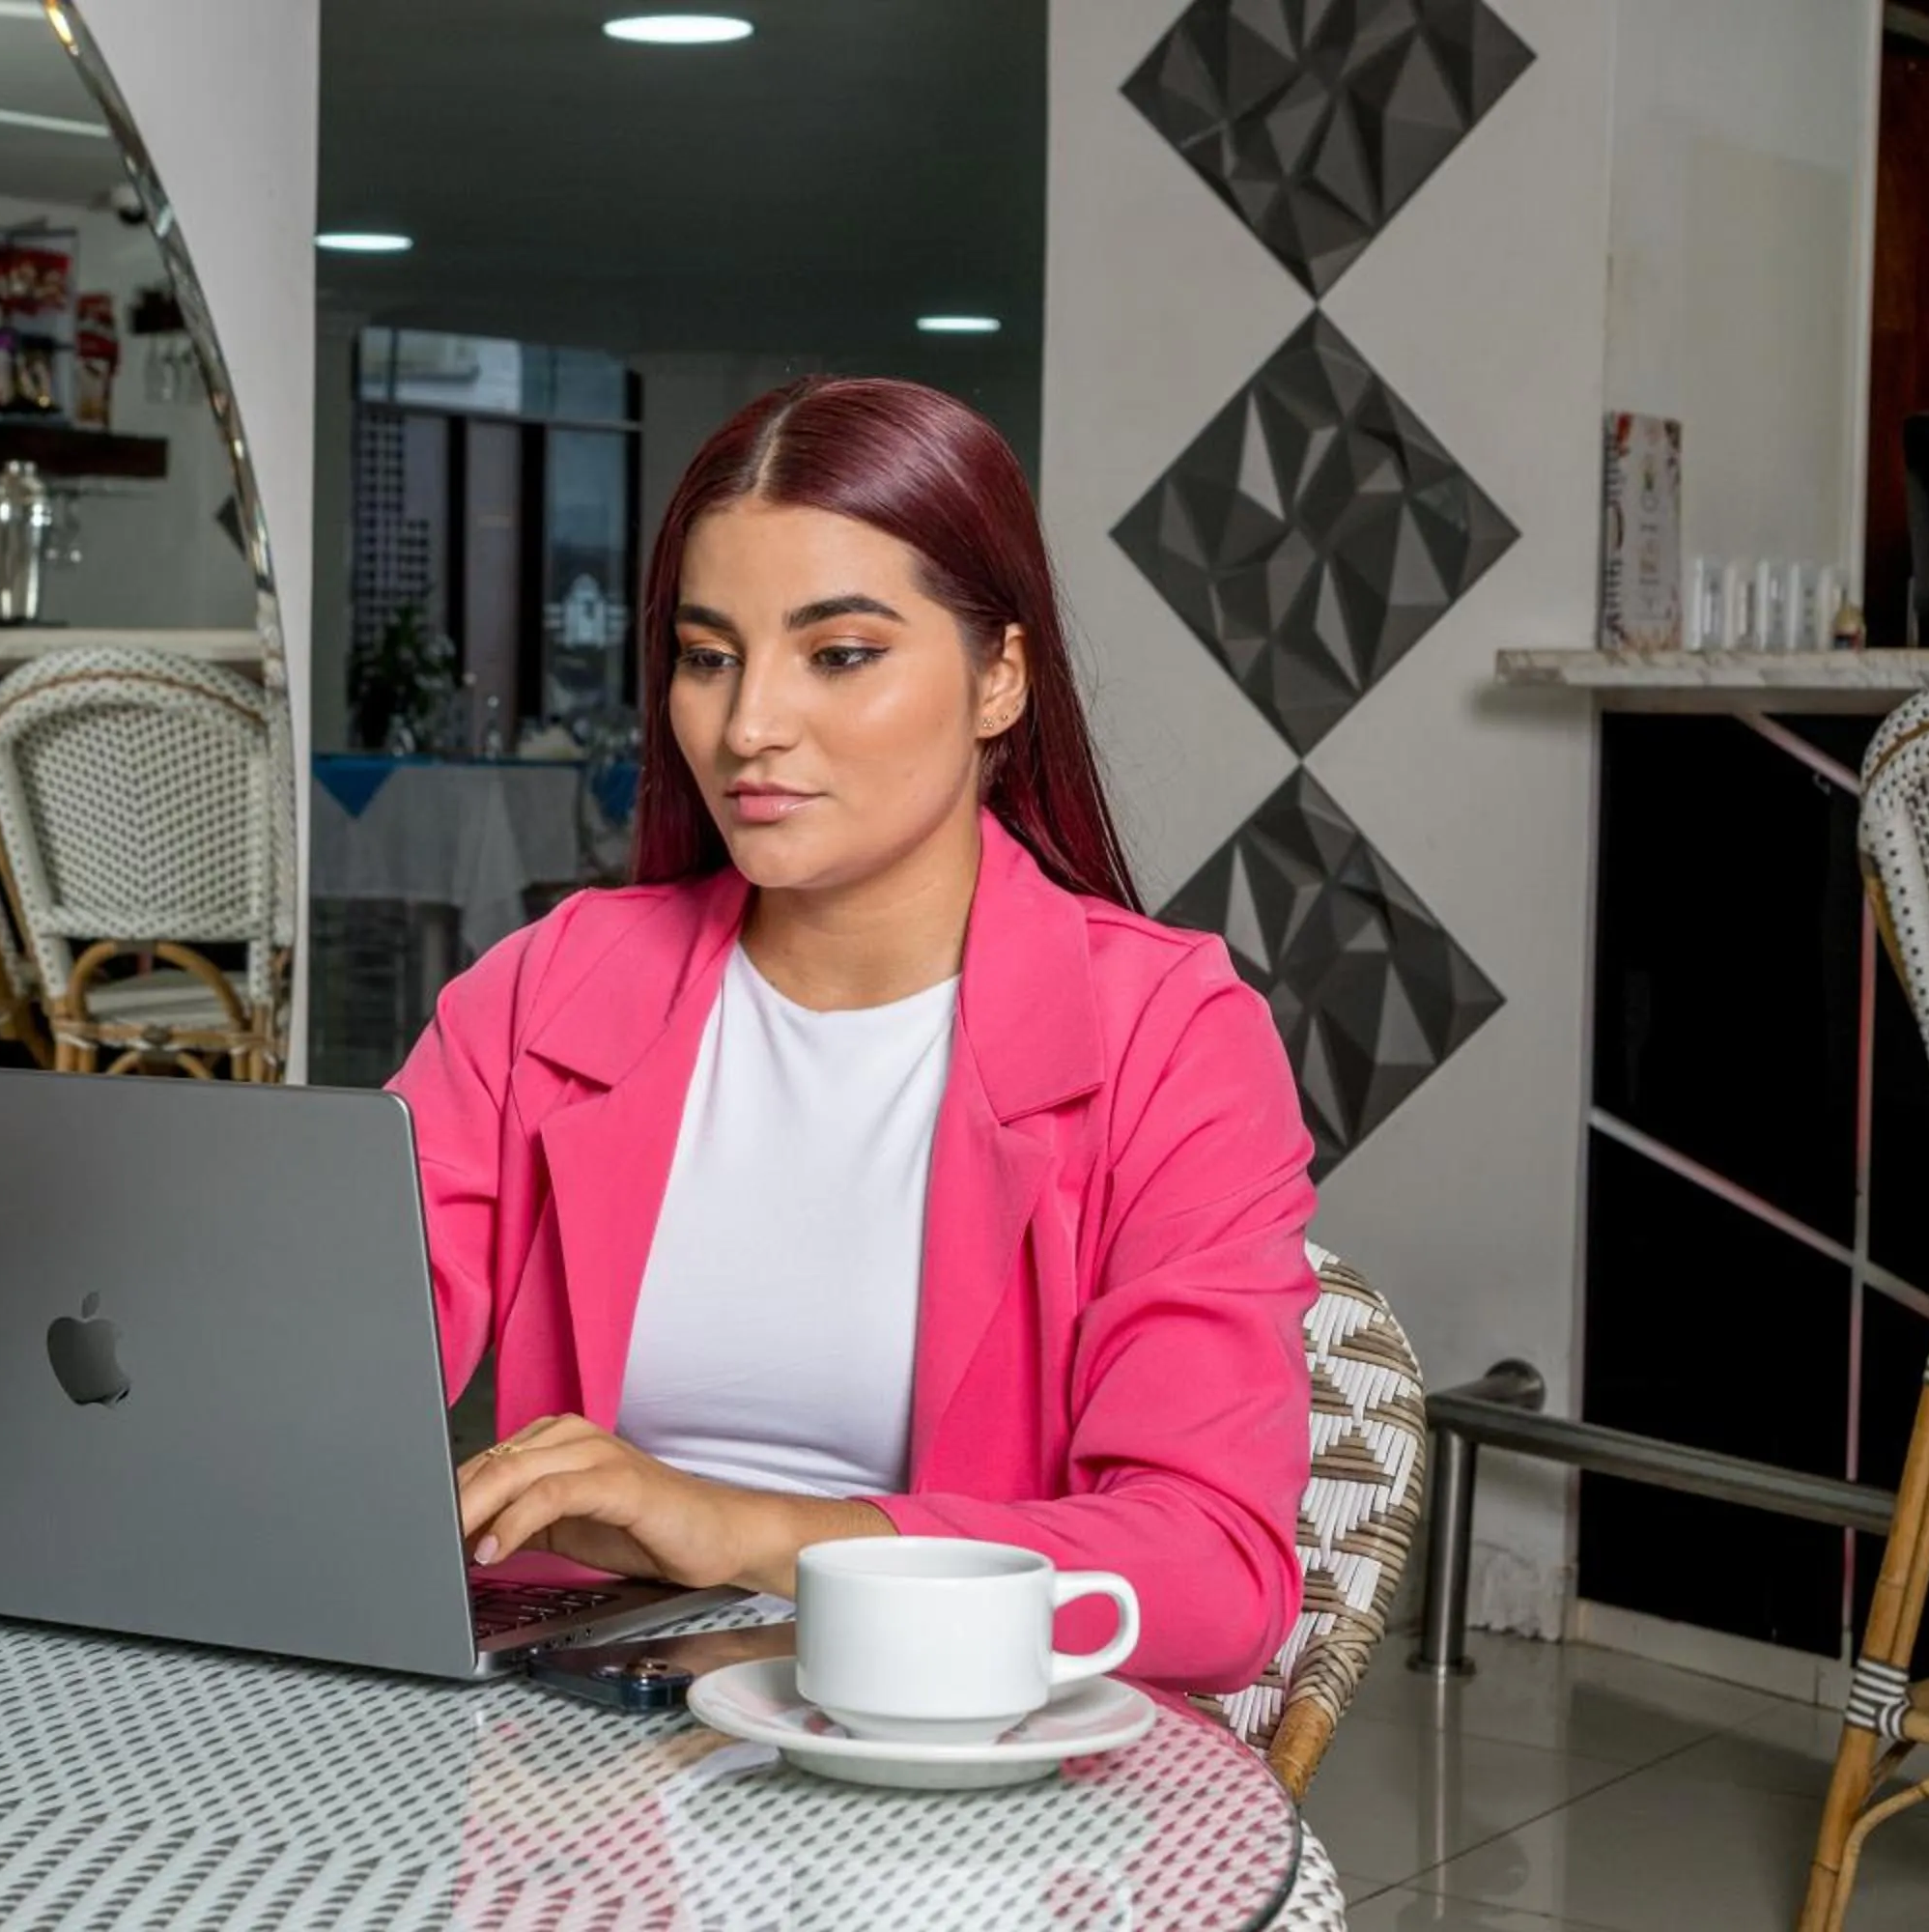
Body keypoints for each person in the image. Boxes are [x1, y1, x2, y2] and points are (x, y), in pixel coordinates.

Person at [390, 377, 1319, 1691]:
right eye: (709, 656)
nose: (749, 724)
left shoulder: (1171, 1038)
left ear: (1002, 676)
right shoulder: (552, 988)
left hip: (955, 1767)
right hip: (574, 1763)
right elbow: (323, 1366)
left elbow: (1213, 1573)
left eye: (840, 653)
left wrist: (743, 1529)